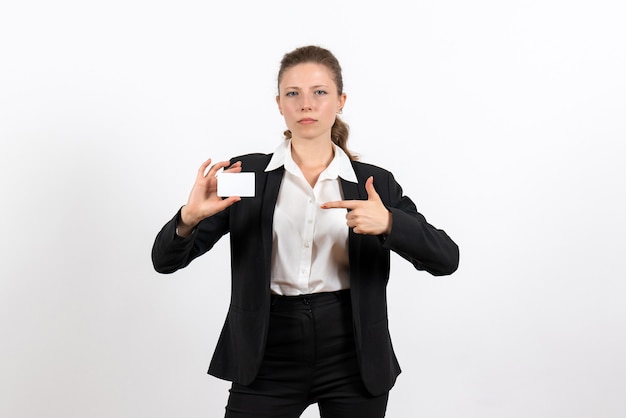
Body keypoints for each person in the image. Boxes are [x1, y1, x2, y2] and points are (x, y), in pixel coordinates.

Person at [151, 45, 459, 418]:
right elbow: (164, 262)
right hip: (267, 352)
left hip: (354, 353)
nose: (306, 104)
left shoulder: (371, 183)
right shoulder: (246, 176)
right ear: (279, 103)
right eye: (292, 94)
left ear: (341, 100)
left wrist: (391, 225)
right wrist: (189, 218)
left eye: (320, 92)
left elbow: (446, 258)